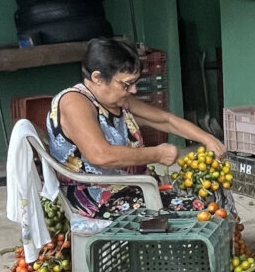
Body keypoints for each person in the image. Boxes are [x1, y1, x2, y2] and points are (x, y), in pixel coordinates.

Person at [46, 37, 228, 219]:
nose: (133, 90)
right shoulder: (74, 102)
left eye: (134, 83)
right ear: (97, 78)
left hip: (132, 184)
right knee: (199, 210)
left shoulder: (117, 100)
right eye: (126, 84)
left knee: (212, 192)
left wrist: (207, 139)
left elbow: (166, 120)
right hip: (95, 196)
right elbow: (101, 155)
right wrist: (157, 154)